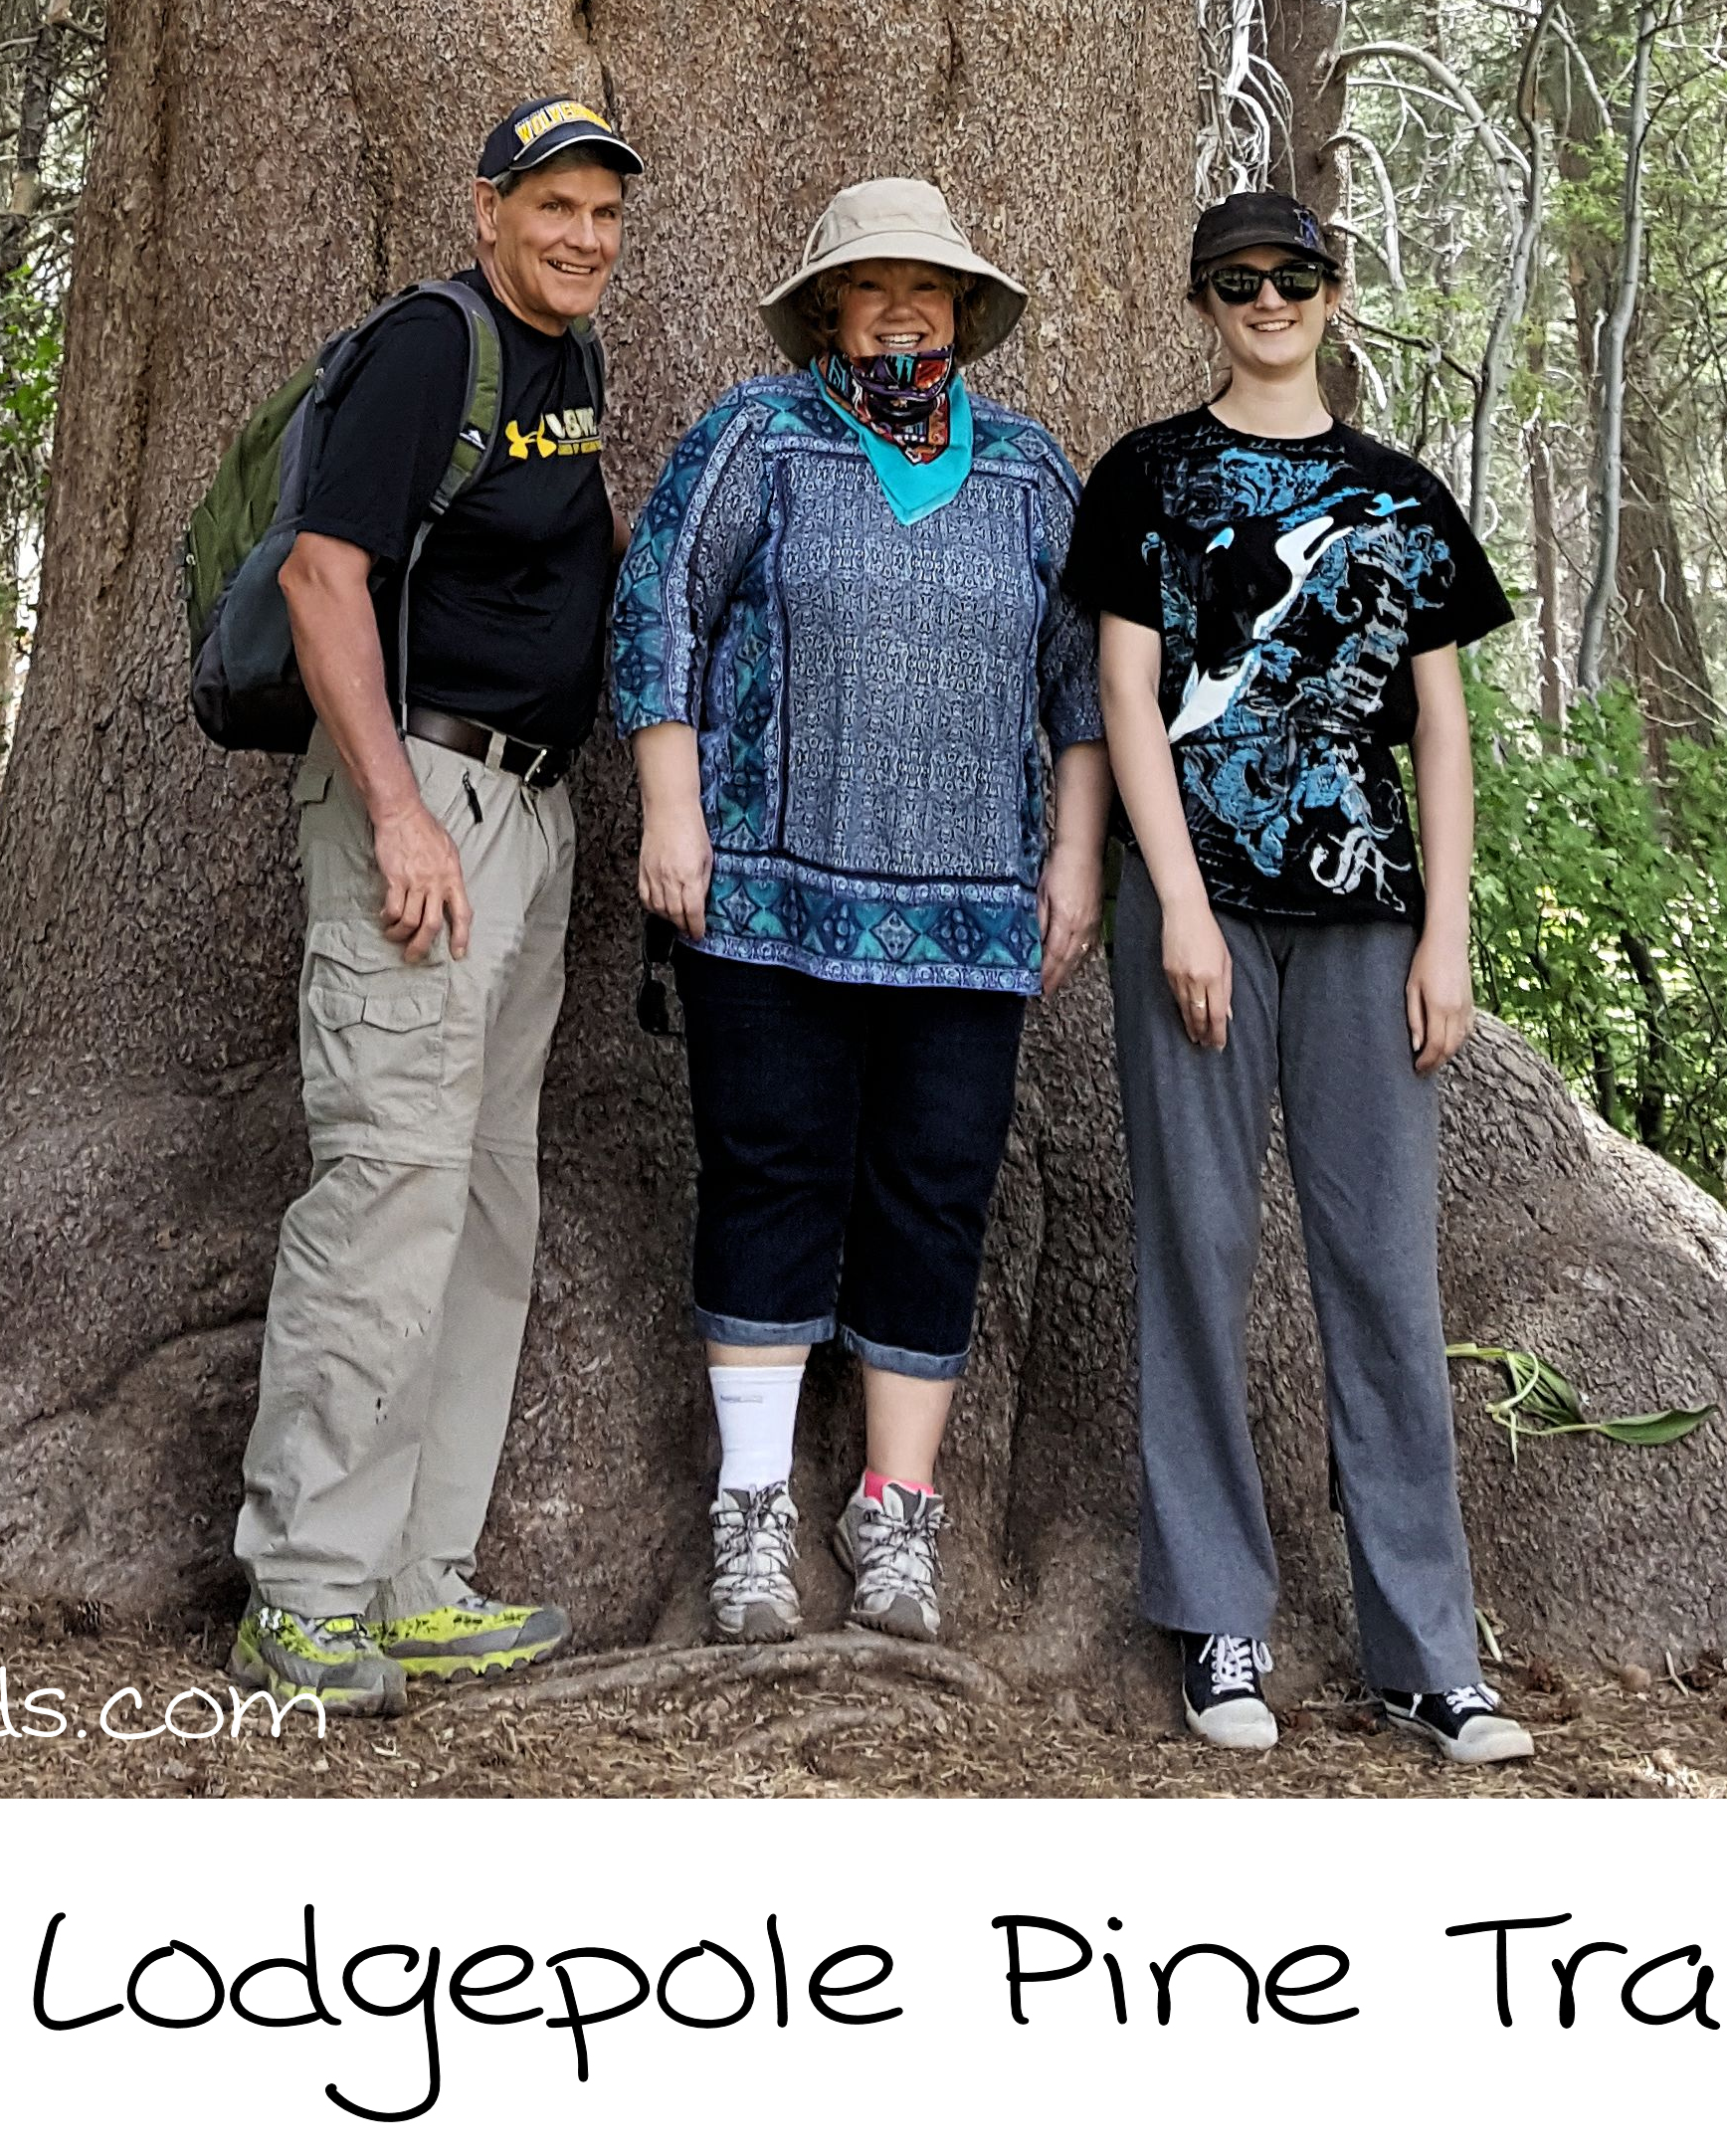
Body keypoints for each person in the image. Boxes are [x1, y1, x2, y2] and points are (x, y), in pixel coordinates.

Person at [1063, 183, 1534, 1767]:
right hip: (1194, 912)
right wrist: (1178, 904)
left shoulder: (1401, 498)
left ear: (1331, 295)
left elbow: (1445, 731)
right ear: (1205, 300)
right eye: (1236, 279)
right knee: (1195, 1251)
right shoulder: (1146, 476)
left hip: (1367, 921)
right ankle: (1219, 1625)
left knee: (1385, 1271)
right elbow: (1127, 696)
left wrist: (1448, 934)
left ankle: (1427, 1650)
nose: (1266, 299)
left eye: (1293, 276)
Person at [611, 176, 1108, 1648]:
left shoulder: (1029, 475)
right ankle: (753, 1510)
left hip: (970, 921)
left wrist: (1075, 862)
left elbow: (1084, 683)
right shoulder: (754, 440)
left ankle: (895, 1513)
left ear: (964, 311)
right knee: (770, 1175)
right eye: (872, 285)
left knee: (936, 1194)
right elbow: (657, 616)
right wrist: (670, 807)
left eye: (929, 287)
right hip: (761, 901)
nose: (901, 309)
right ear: (828, 307)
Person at [230, 97, 636, 1715]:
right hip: (427, 806)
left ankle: (417, 1579)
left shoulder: (575, 364)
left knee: (482, 1205)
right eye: (554, 208)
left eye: (605, 213)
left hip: (531, 810)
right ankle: (301, 1598)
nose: (584, 238)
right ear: (487, 211)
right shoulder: (426, 346)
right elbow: (325, 576)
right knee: (389, 1193)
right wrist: (400, 810)